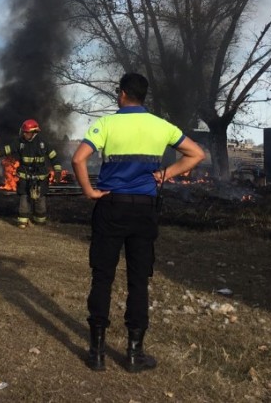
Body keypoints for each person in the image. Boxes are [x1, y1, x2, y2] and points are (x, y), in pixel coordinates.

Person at [70, 72, 205, 373]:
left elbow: (78, 159)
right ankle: (134, 354)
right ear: (143, 96)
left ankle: (96, 353)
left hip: (110, 206)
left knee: (102, 276)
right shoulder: (161, 126)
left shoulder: (106, 124)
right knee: (138, 280)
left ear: (121, 94)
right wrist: (165, 174)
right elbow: (196, 153)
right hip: (144, 210)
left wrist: (90, 191)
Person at [0, 119, 62, 228]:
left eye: (27, 132)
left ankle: (40, 220)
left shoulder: (43, 144)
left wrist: (58, 171)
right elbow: (8, 149)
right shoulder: (20, 142)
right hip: (25, 177)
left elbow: (54, 157)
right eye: (24, 132)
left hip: (40, 178)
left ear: (34, 132)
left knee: (40, 200)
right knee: (24, 198)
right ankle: (22, 221)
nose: (25, 134)